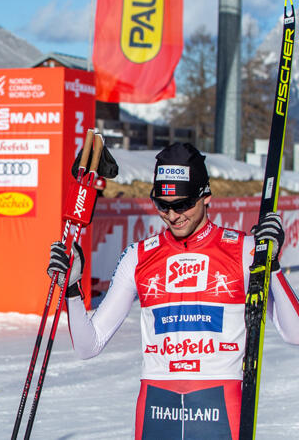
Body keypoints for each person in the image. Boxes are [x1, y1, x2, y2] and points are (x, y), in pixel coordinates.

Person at [48, 143, 299, 439]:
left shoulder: (244, 250)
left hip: (218, 403)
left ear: (206, 197)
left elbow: (294, 333)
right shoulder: (138, 256)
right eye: (163, 205)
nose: (172, 215)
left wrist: (273, 266)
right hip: (157, 406)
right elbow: (88, 346)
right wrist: (73, 289)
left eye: (182, 204)